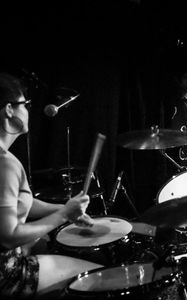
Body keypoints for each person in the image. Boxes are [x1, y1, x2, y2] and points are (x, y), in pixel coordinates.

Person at [0, 73, 102, 299]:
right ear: (9, 109)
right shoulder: (5, 165)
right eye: (24, 104)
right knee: (95, 276)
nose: (28, 110)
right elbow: (8, 235)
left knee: (46, 243)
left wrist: (63, 208)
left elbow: (21, 202)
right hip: (8, 275)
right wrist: (64, 215)